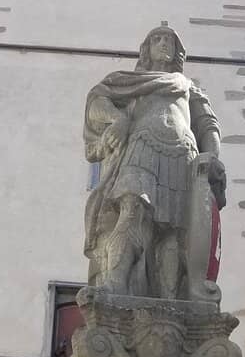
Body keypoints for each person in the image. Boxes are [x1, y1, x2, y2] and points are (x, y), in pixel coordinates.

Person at [83, 26, 225, 299]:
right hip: (142, 147)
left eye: (170, 40)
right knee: (133, 211)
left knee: (173, 233)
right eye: (157, 39)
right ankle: (115, 283)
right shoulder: (128, 80)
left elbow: (208, 125)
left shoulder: (187, 86)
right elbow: (97, 100)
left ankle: (170, 303)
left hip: (183, 157)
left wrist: (211, 155)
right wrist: (118, 119)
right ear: (146, 48)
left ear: (177, 51)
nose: (164, 44)